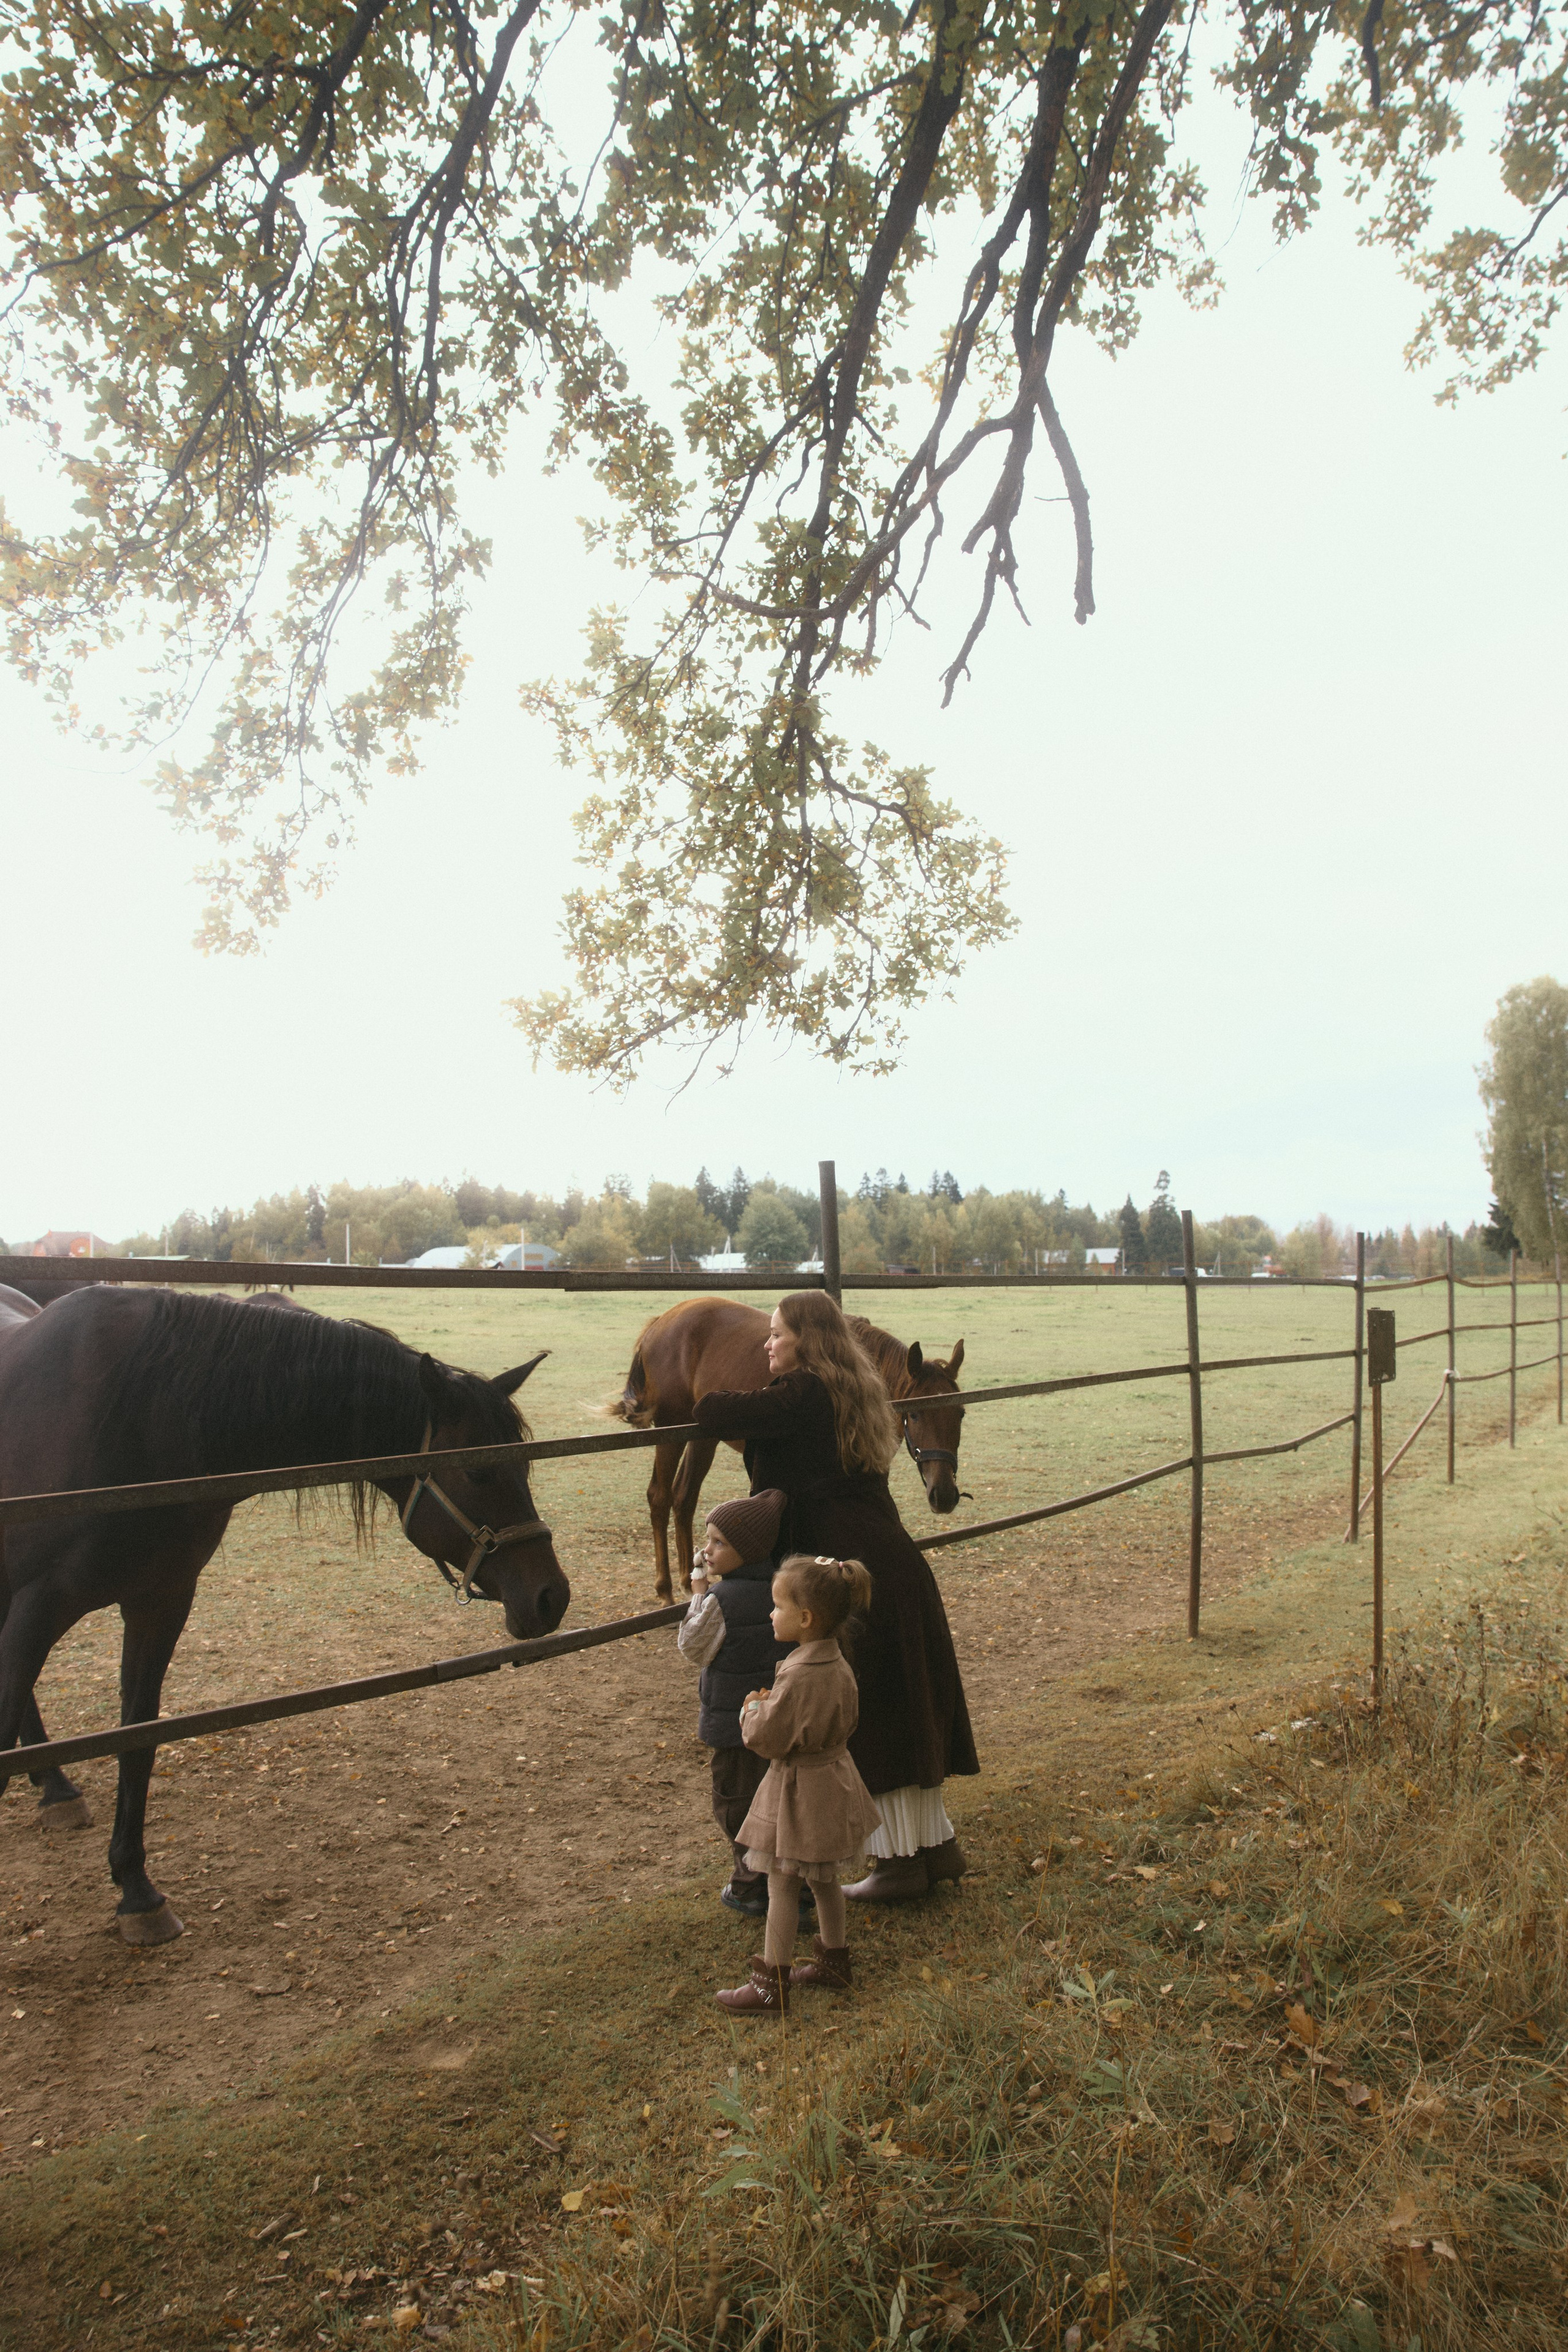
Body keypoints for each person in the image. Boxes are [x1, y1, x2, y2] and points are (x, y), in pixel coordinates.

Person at [694, 1290, 978, 1902]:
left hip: (856, 1570)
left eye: (775, 1335)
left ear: (809, 1340)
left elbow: (713, 1408)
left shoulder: (802, 1393)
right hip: (890, 1562)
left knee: (876, 1715)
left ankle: (900, 1867)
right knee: (904, 1706)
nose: (766, 1345)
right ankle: (935, 1849)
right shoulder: (854, 1388)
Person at [715, 1555, 883, 2013]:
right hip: (834, 1781)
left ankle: (771, 1983)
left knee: (783, 1883)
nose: (771, 1614)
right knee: (824, 1879)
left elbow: (768, 1737)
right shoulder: (838, 1664)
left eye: (778, 1606)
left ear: (806, 1618)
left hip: (799, 1792)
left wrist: (752, 1709)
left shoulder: (799, 1673)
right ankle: (834, 1960)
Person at [677, 1488, 812, 1921]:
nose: (707, 1549)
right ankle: (800, 1884)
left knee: (736, 1803)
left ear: (748, 1551)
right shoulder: (783, 1590)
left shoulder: (722, 1601)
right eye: (708, 1539)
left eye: (720, 1543)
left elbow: (693, 1646)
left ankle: (750, 1885)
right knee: (782, 1802)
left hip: (735, 1726)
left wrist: (699, 1593)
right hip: (778, 1721)